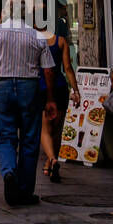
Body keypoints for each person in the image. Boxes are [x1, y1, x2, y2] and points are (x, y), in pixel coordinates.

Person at [0, 0, 57, 207]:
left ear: (5, 12)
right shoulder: (37, 36)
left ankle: (9, 172)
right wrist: (50, 99)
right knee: (30, 139)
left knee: (5, 136)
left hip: (2, 87)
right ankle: (24, 191)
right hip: (29, 87)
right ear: (26, 14)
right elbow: (48, 69)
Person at [37, 19, 79, 181]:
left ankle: (52, 159)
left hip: (42, 88)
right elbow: (68, 68)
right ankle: (49, 162)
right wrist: (75, 90)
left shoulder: (34, 40)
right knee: (57, 129)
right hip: (60, 87)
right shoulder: (60, 41)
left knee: (45, 129)